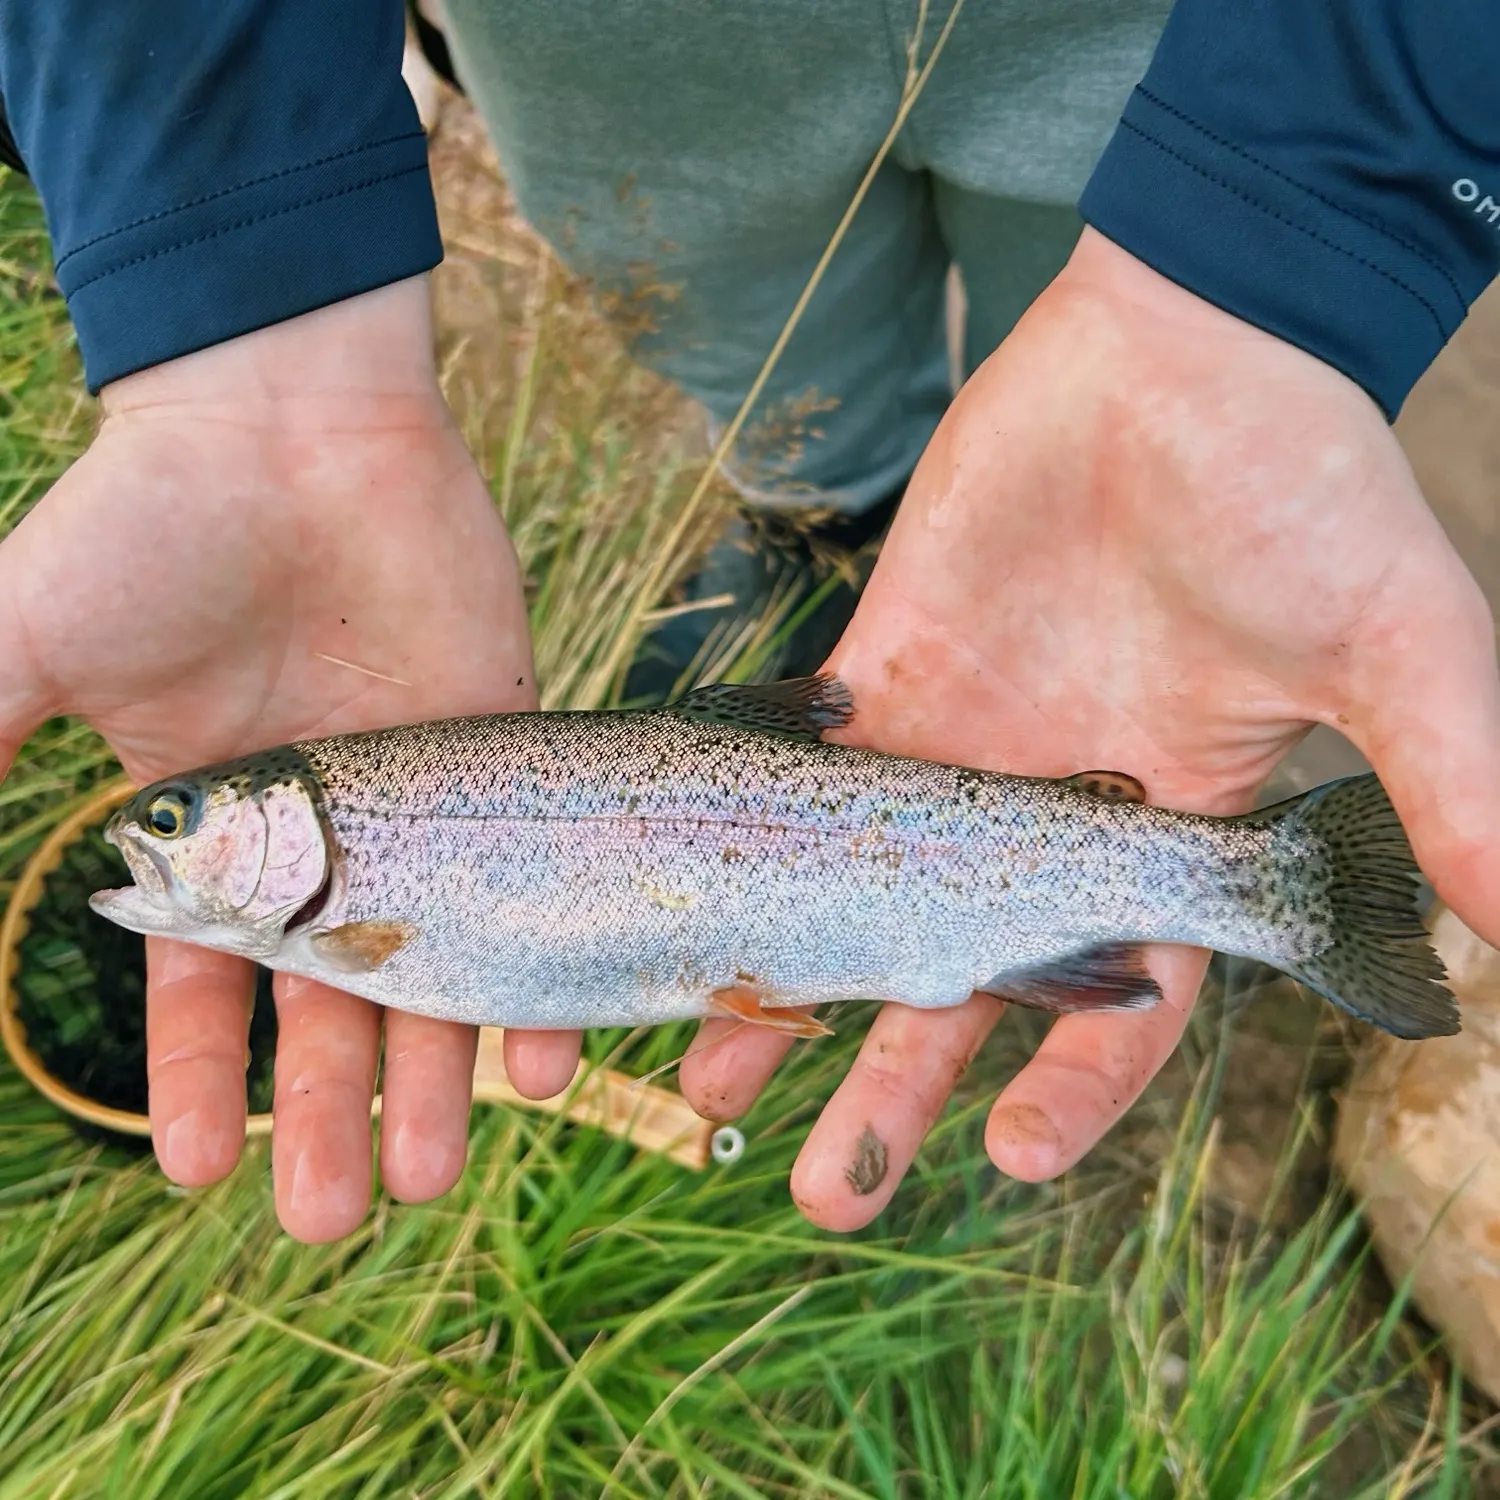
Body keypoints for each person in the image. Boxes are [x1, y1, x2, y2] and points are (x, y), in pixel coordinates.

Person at [0, 2, 1495, 1246]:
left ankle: (1247, 864)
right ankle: (833, 515)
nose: (163, 830)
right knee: (784, 392)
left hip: (1172, 73)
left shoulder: (366, 931)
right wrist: (240, 314)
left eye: (185, 819)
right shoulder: (351, 919)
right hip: (618, 87)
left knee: (1062, 322)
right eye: (181, 820)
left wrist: (1268, 274)